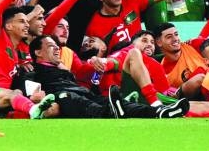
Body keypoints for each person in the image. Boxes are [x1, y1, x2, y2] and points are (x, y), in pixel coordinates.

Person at [24, 35, 189, 119]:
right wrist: (37, 98)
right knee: (68, 97)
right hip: (65, 98)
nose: (57, 49)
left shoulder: (66, 71)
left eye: (56, 46)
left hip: (88, 95)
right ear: (38, 52)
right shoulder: (33, 74)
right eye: (51, 46)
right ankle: (116, 111)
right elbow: (31, 97)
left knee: (120, 104)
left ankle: (158, 112)